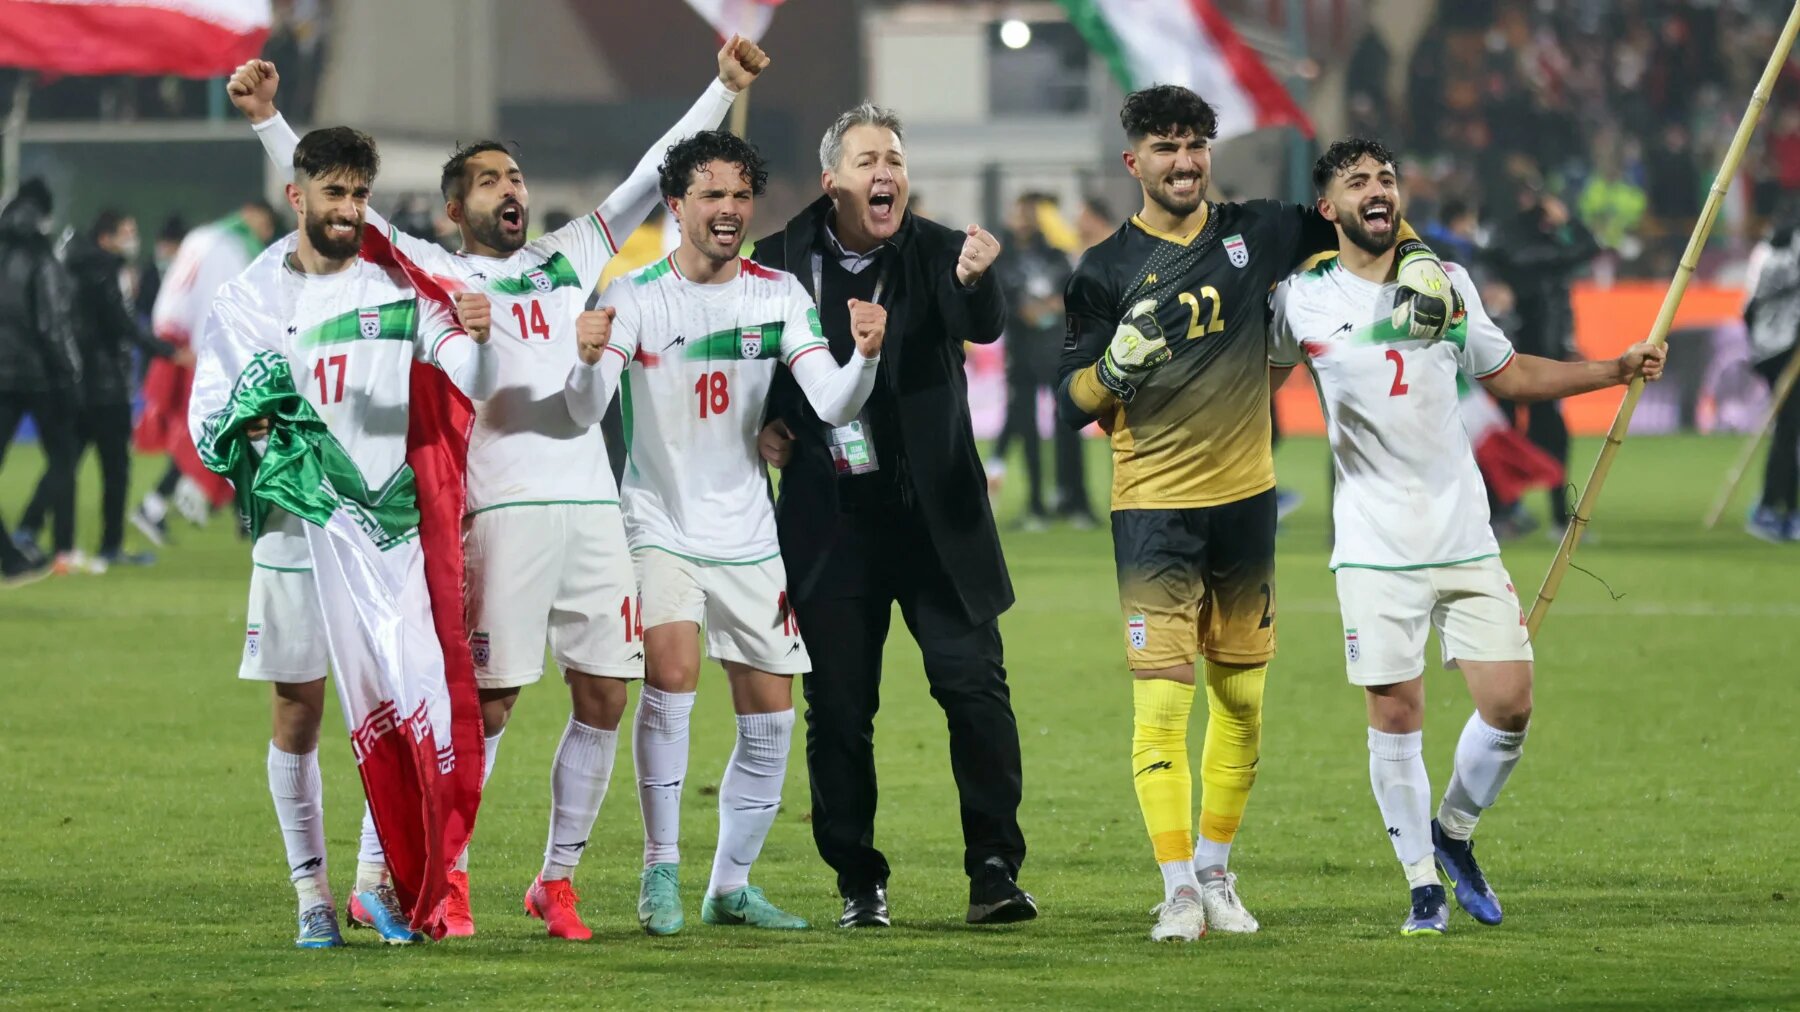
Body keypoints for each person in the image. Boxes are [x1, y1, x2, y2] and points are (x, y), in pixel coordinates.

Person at [228, 37, 767, 938]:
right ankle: (409, 875)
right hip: (499, 514)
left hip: (592, 507)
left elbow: (646, 176)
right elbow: (338, 202)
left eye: (514, 176)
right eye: (488, 180)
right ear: (454, 207)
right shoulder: (436, 274)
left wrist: (721, 86)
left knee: (604, 695)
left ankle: (555, 881)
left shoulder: (568, 256)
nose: (510, 189)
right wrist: (267, 123)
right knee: (482, 704)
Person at [1055, 85, 1460, 943]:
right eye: (1165, 146)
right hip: (1154, 511)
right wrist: (1116, 369)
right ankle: (1175, 891)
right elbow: (1073, 399)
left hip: (1246, 504)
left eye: (1196, 143)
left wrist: (1421, 259)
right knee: (1162, 706)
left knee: (1241, 704)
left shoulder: (1261, 230)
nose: (1184, 160)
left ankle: (1214, 871)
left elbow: (1370, 217)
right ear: (1134, 161)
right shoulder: (1101, 270)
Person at [1270, 138, 1664, 935]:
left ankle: (1451, 832)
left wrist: (1614, 369)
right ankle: (1420, 881)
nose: (1377, 189)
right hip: (1373, 544)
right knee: (1397, 710)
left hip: (1463, 531)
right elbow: (1256, 385)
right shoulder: (1299, 297)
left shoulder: (1447, 284)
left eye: (1386, 177)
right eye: (1357, 182)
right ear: (1329, 209)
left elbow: (1510, 374)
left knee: (1510, 704)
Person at [186, 125, 498, 948]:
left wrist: (477, 338)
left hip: (384, 533)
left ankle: (373, 884)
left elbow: (465, 376)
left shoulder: (397, 289)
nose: (348, 210)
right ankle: (310, 895)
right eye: (333, 193)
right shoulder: (252, 297)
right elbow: (213, 411)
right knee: (298, 713)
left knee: (397, 711)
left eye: (359, 195)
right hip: (296, 537)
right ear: (298, 196)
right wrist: (260, 439)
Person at [589, 129, 884, 934]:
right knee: (672, 678)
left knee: (771, 718)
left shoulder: (777, 295)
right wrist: (588, 362)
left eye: (740, 195)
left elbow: (830, 402)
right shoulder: (637, 298)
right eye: (711, 195)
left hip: (750, 533)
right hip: (660, 523)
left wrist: (861, 359)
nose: (728, 210)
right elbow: (585, 410)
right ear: (675, 205)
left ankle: (731, 886)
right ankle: (660, 872)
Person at [753, 101, 1036, 930]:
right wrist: (765, 419)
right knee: (840, 710)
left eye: (896, 161)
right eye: (869, 160)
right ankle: (858, 882)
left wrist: (982, 280)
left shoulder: (946, 252)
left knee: (975, 690)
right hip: (828, 519)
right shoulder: (777, 262)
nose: (887, 174)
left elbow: (979, 326)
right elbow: (757, 361)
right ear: (832, 178)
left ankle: (993, 871)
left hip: (935, 520)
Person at [18, 210, 184, 570]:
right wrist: (168, 352)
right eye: (127, 231)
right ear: (106, 237)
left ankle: (27, 529)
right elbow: (121, 324)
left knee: (64, 464)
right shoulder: (104, 270)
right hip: (106, 387)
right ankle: (111, 546)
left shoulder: (68, 267)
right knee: (115, 469)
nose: (133, 238)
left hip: (76, 385)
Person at [132, 200, 279, 544]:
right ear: (255, 216)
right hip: (199, 348)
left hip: (173, 340)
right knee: (213, 429)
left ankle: (244, 514)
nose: (265, 235)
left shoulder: (202, 236)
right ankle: (159, 506)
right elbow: (217, 302)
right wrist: (210, 357)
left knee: (227, 428)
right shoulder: (229, 246)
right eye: (267, 227)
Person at [1483, 185, 1600, 535]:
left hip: (1528, 360)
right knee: (1523, 436)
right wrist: (1571, 224)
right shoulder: (1520, 247)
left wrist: (1567, 342)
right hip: (1515, 362)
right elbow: (1585, 250)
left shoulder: (1511, 246)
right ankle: (1514, 513)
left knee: (1538, 435)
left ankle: (1531, 514)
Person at [0, 179, 79, 588]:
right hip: (40, 377)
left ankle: (10, 556)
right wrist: (70, 375)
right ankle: (62, 547)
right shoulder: (41, 255)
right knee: (64, 458)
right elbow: (52, 324)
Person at [989, 192, 1073, 529]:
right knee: (1026, 431)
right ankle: (1035, 502)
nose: (1024, 220)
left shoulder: (1055, 255)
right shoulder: (1001, 258)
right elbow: (996, 301)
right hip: (1021, 356)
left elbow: (1073, 292)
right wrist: (1019, 311)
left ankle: (1069, 498)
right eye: (1019, 213)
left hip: (1055, 352)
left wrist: (1056, 305)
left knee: (1067, 427)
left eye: (1029, 214)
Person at [1742, 211, 1800, 542]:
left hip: (1766, 347)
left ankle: (1781, 508)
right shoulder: (1793, 247)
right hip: (1786, 347)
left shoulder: (1768, 249)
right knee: (1789, 430)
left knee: (1788, 429)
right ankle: (1777, 508)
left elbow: (1747, 309)